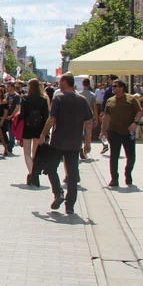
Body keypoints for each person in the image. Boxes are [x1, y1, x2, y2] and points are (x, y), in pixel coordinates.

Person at [39, 73, 93, 215]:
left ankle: (58, 193)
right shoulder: (82, 100)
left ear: (64, 82)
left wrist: (43, 134)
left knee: (51, 168)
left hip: (58, 141)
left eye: (60, 81)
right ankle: (70, 206)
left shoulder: (59, 98)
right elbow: (88, 123)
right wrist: (87, 142)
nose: (59, 84)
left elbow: (52, 119)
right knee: (73, 175)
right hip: (75, 142)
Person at [102, 79, 141, 188]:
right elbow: (106, 116)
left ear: (122, 87)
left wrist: (135, 123)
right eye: (112, 86)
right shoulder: (110, 101)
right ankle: (114, 178)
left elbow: (139, 111)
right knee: (114, 156)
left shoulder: (131, 99)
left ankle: (128, 173)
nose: (112, 88)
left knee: (131, 156)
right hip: (113, 131)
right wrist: (103, 130)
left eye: (115, 86)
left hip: (128, 132)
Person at [20, 78, 49, 186]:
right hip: (39, 128)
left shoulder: (25, 98)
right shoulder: (43, 99)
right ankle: (34, 173)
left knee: (26, 152)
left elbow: (22, 115)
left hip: (27, 127)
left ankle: (31, 172)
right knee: (35, 153)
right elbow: (47, 116)